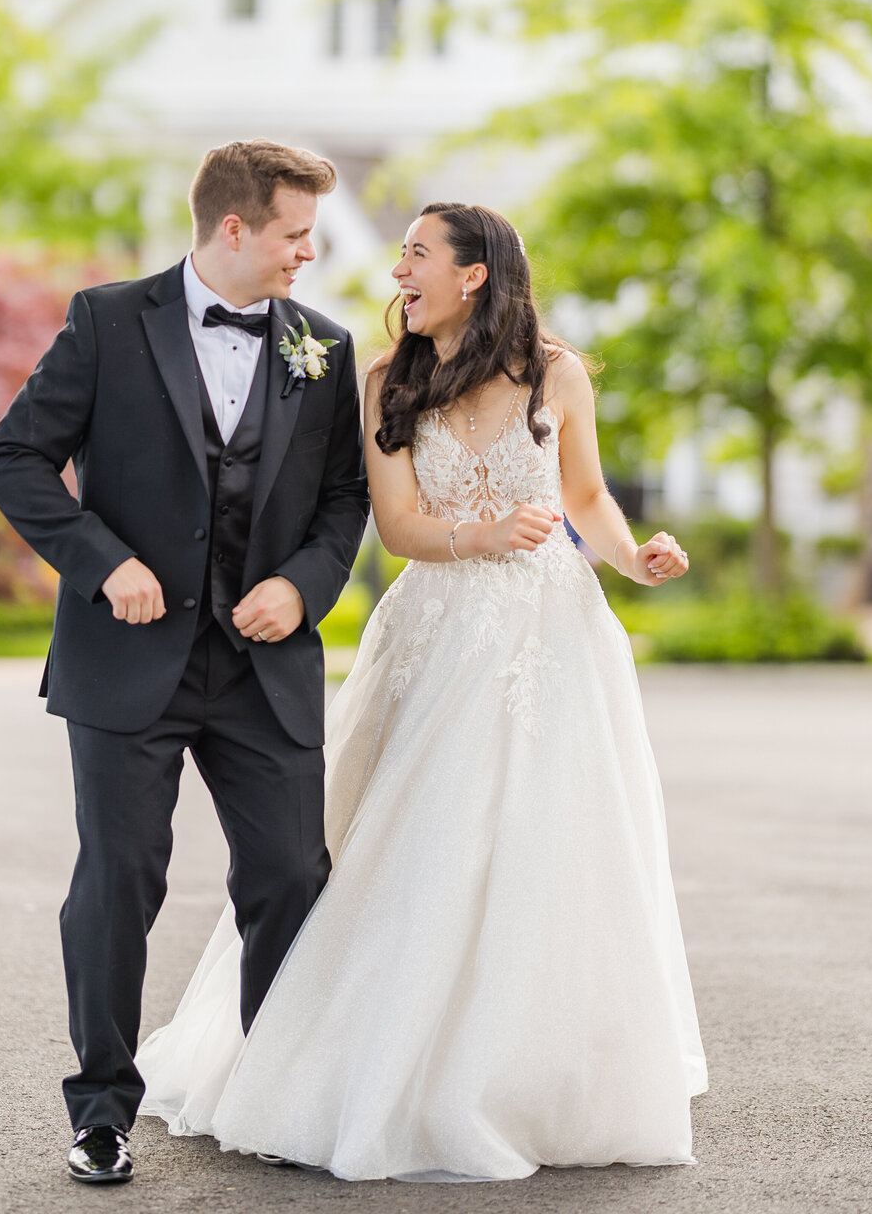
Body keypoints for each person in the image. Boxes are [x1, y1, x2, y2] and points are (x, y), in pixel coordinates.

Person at [135, 200, 707, 1182]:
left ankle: (531, 1074)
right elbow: (396, 527)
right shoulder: (385, 380)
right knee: (409, 835)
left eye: (416, 253)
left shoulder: (557, 371)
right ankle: (370, 1064)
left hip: (553, 634)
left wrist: (633, 560)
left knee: (550, 841)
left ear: (473, 274)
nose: (398, 269)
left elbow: (583, 497)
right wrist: (481, 537)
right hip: (437, 626)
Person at [0, 140, 369, 1187]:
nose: (310, 252)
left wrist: (303, 583)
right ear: (234, 228)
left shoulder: (325, 351)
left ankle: (277, 1092)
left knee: (291, 877)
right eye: (295, 233)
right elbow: (14, 457)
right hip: (126, 660)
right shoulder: (108, 323)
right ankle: (102, 1109)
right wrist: (102, 564)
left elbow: (345, 501)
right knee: (119, 881)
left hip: (263, 665)